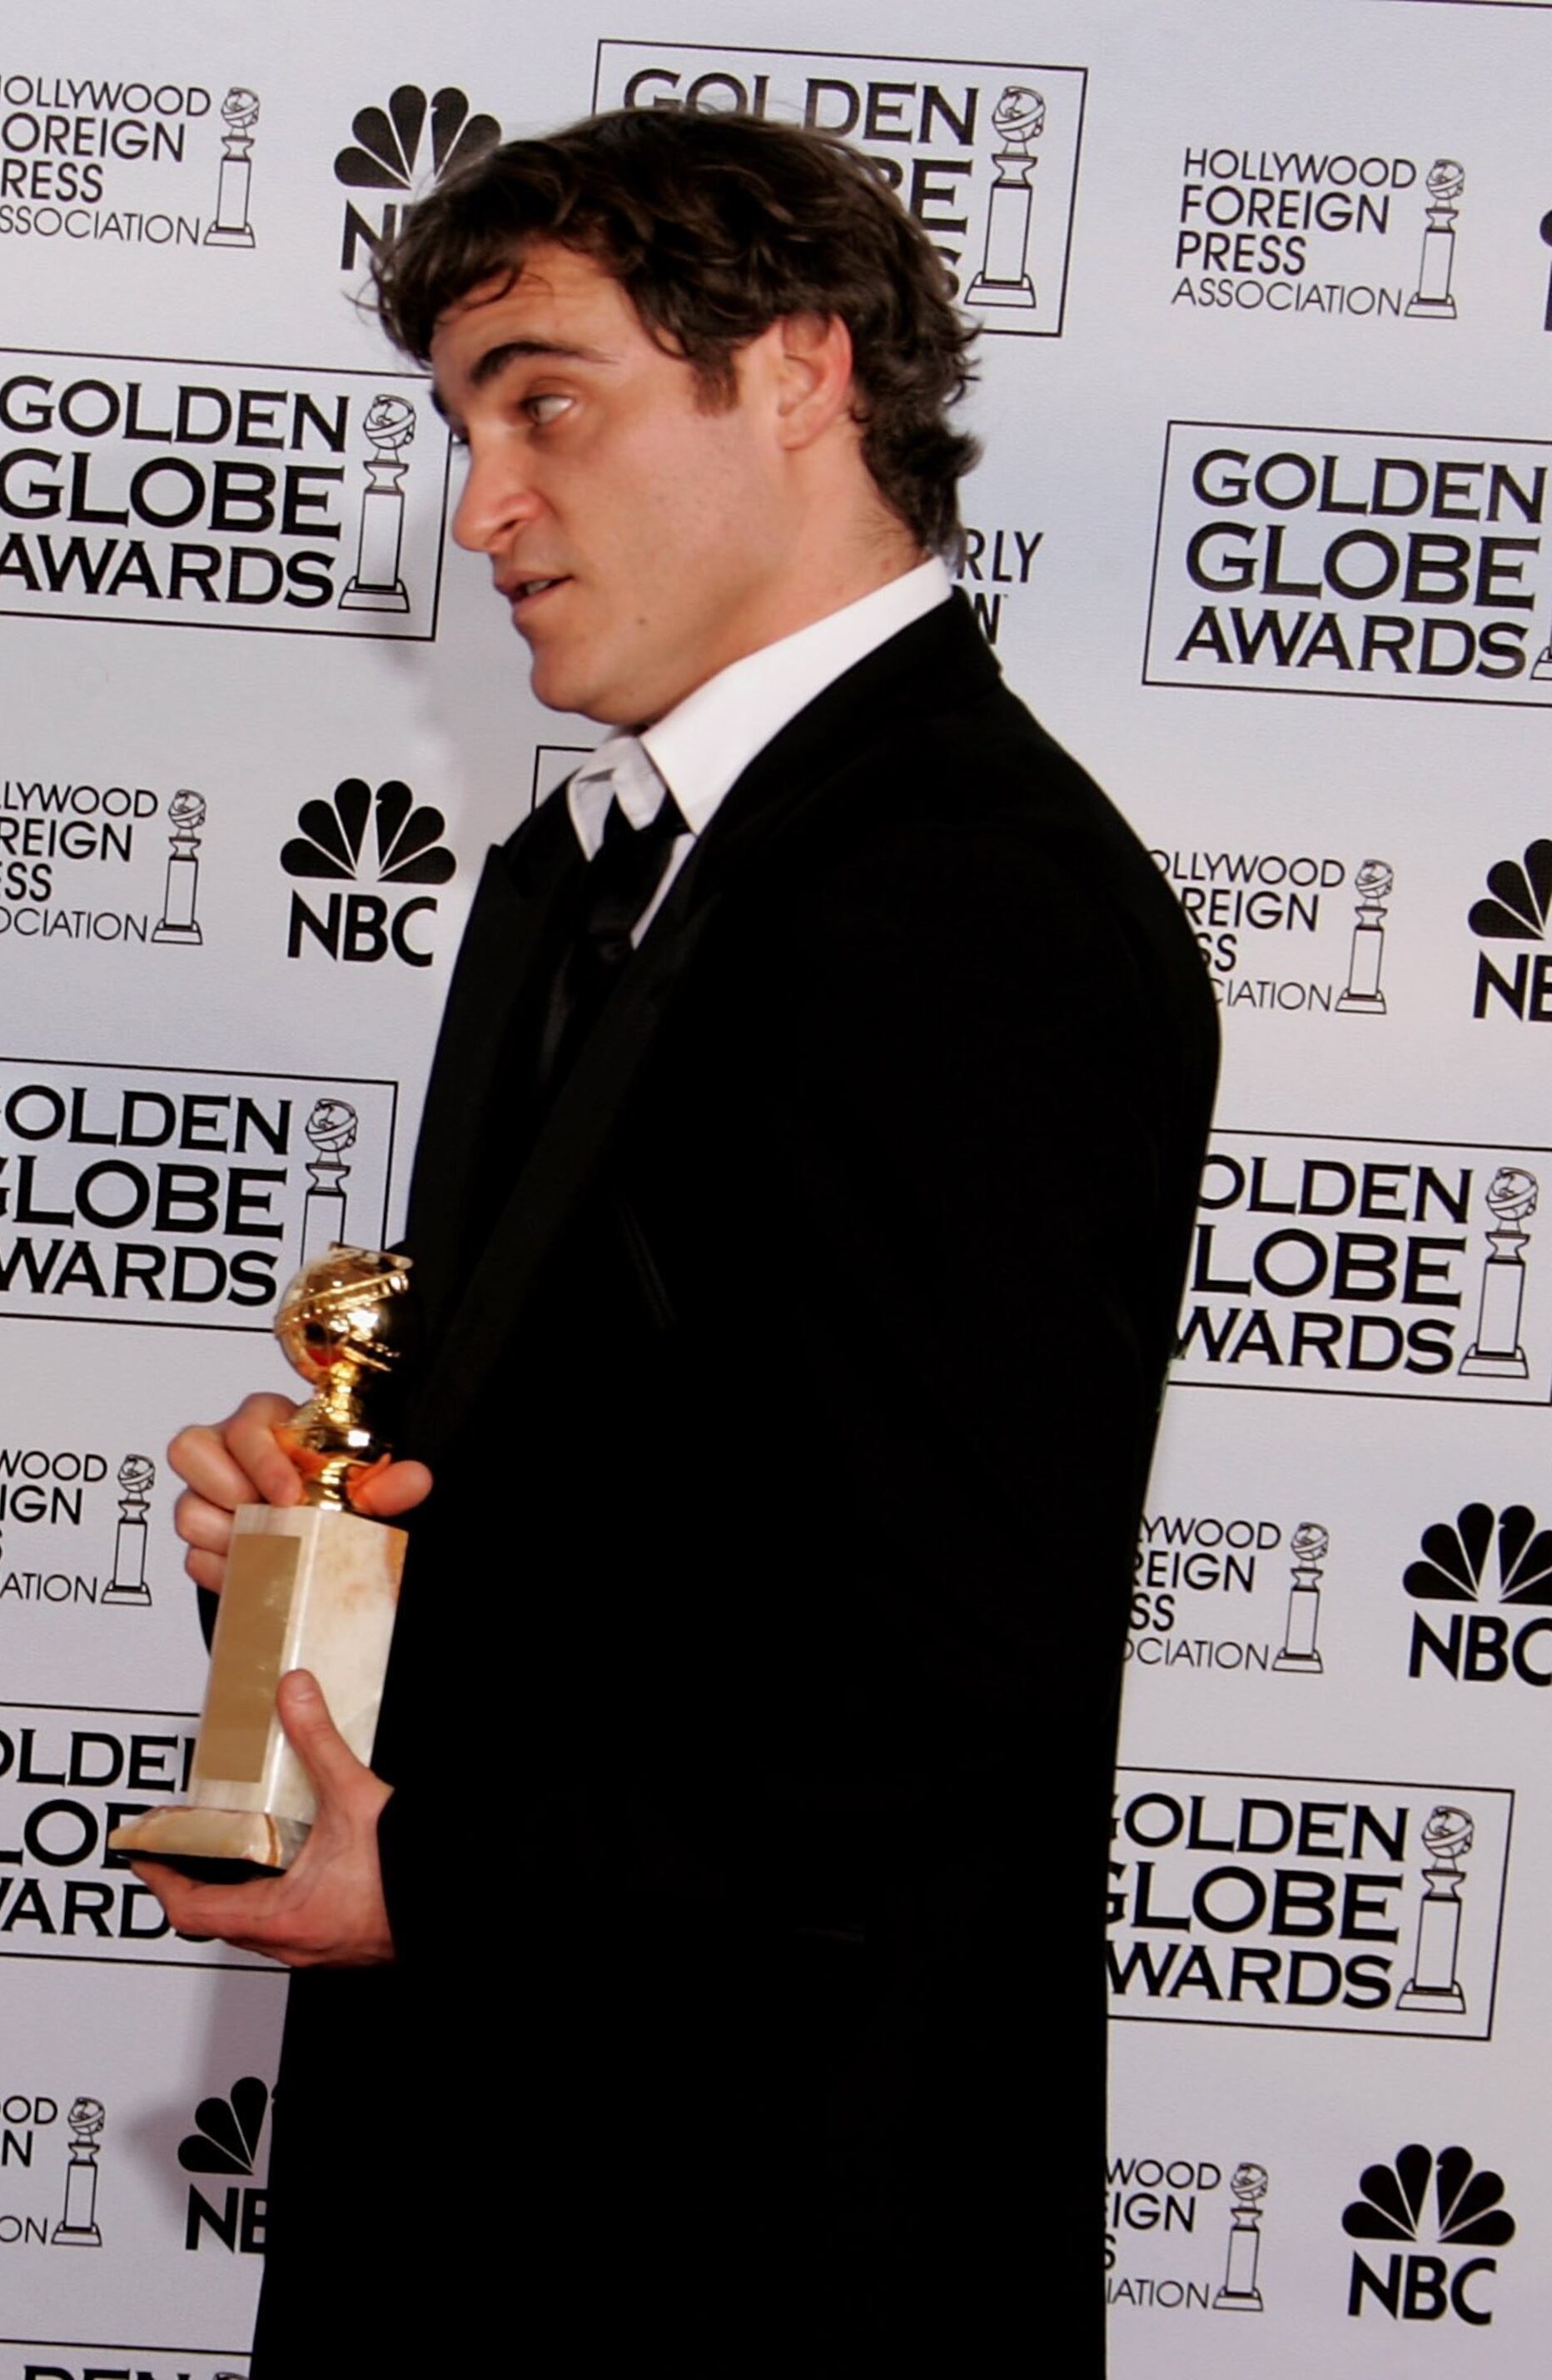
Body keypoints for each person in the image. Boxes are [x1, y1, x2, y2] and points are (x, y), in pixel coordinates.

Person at [146, 112, 1216, 2373]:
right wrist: (335, 1534)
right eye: (460, 423)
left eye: (548, 401)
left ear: (802, 377)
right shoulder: (572, 880)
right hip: (494, 2166)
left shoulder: (965, 898)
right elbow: (653, 1491)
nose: (481, 505)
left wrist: (441, 1873)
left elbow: (951, 1683)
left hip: (763, 2225)